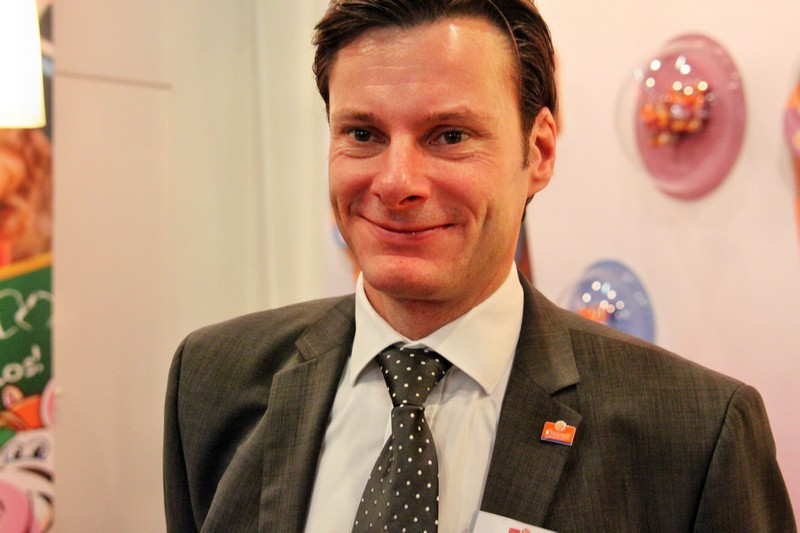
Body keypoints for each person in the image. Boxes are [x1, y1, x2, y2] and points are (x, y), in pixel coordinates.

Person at [163, 1, 796, 531]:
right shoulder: (215, 381)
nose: (397, 182)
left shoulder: (692, 437)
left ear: (538, 151)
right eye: (363, 134)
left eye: (449, 136)